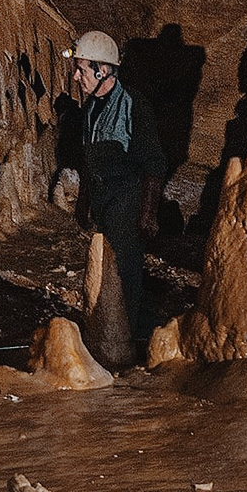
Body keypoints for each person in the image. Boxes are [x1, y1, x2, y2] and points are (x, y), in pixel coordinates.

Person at [67, 29, 167, 334]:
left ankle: (127, 342)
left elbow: (154, 163)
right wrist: (84, 201)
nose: (76, 76)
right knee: (104, 273)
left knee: (126, 273)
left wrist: (147, 213)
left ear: (103, 70)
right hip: (101, 201)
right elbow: (88, 160)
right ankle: (104, 334)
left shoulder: (134, 105)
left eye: (81, 69)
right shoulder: (90, 109)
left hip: (127, 201)